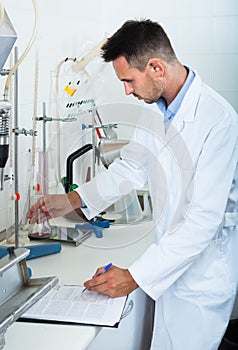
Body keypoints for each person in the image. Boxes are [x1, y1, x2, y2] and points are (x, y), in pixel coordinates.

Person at [28, 19, 238, 349]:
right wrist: (71, 200)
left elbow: (202, 222)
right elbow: (131, 168)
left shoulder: (218, 121)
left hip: (202, 278)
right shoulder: (156, 110)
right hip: (168, 262)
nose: (126, 90)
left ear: (155, 68)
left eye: (128, 80)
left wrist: (134, 276)